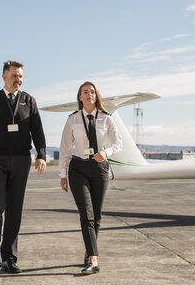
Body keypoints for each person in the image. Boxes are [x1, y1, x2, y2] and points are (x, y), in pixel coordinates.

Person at [0, 60, 47, 276]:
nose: (19, 80)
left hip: (21, 160)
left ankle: (9, 258)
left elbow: (38, 131)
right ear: (4, 77)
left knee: (15, 210)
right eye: (15, 76)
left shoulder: (29, 101)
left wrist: (42, 155)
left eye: (21, 76)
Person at [59, 81, 122, 274]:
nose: (89, 95)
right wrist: (63, 175)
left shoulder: (106, 119)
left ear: (96, 96)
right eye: (85, 92)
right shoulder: (73, 119)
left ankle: (88, 250)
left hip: (99, 168)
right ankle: (93, 259)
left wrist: (107, 152)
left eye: (92, 92)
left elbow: (118, 143)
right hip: (78, 168)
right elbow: (65, 148)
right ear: (80, 97)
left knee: (96, 214)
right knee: (86, 214)